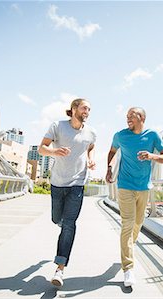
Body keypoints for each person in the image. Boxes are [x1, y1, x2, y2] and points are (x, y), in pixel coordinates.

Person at [105, 107, 163, 287]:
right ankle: (128, 268)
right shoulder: (120, 135)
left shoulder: (152, 135)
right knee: (127, 223)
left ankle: (127, 248)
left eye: (131, 117)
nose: (127, 120)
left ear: (141, 118)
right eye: (126, 117)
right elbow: (111, 151)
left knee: (138, 223)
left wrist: (151, 156)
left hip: (144, 187)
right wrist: (109, 168)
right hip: (124, 185)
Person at [38, 98, 96, 288]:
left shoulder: (90, 132)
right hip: (57, 182)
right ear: (74, 109)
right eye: (84, 108)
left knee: (69, 224)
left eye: (89, 109)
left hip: (78, 183)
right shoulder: (58, 126)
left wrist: (90, 159)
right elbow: (42, 148)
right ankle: (62, 224)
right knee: (57, 220)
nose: (87, 111)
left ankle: (60, 268)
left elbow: (91, 146)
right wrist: (55, 152)